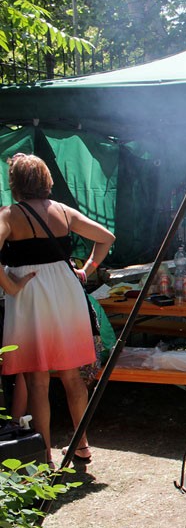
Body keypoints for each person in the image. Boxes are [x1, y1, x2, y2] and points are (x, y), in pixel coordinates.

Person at [0, 153, 115, 464]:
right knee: (72, 375)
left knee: (37, 381)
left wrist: (10, 285)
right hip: (67, 292)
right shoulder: (63, 211)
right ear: (46, 180)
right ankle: (82, 444)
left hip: (30, 295)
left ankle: (45, 457)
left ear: (15, 182)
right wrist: (87, 271)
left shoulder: (9, 215)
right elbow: (106, 237)